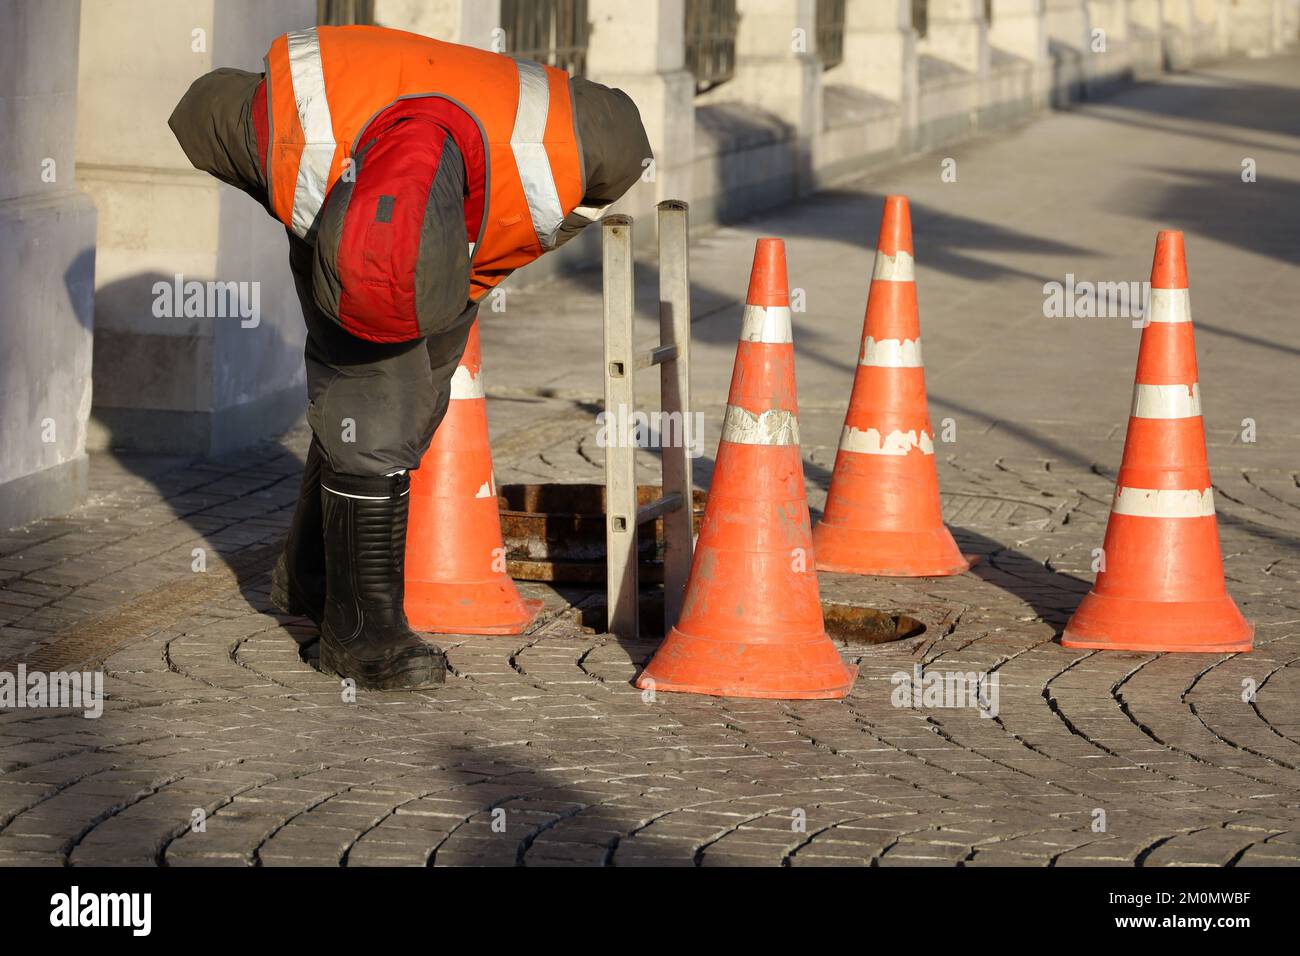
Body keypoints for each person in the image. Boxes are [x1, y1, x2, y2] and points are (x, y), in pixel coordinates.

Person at [169, 25, 651, 691]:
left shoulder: (571, 145)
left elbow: (629, 150)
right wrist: (300, 218)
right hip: (341, 211)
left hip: (470, 222)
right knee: (373, 409)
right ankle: (363, 639)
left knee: (414, 401)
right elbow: (196, 110)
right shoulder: (287, 131)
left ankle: (312, 574)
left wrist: (487, 265)